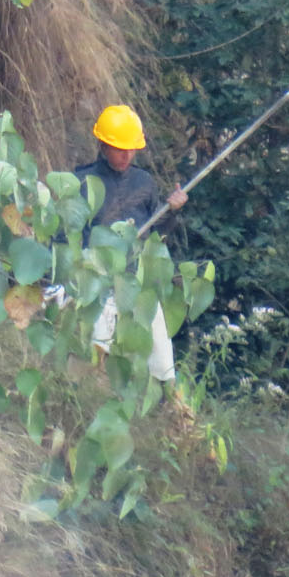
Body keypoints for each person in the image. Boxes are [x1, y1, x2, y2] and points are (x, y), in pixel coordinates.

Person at [76, 104, 188, 386]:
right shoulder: (81, 181)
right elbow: (68, 236)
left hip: (136, 285)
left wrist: (172, 212)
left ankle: (172, 417)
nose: (126, 155)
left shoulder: (145, 182)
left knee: (163, 364)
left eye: (131, 149)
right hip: (96, 285)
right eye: (119, 148)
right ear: (104, 145)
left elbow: (156, 238)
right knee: (95, 361)